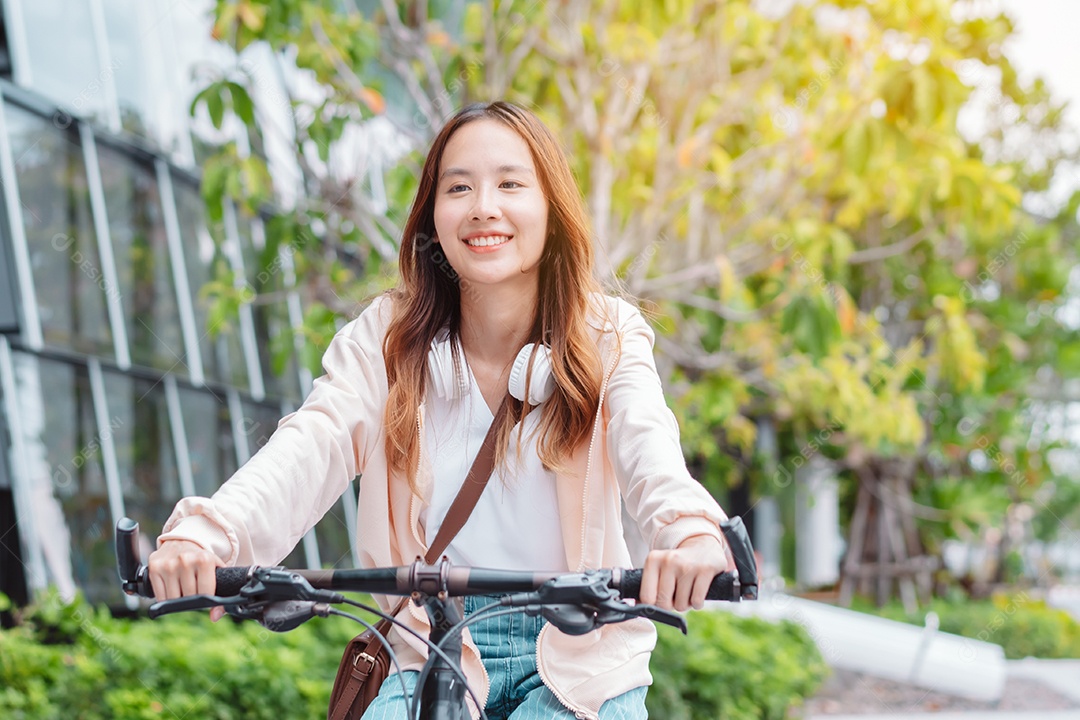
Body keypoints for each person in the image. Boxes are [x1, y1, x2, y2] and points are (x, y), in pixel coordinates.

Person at [148, 100, 730, 720]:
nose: (484, 205)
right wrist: (207, 536)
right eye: (459, 187)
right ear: (433, 215)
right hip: (431, 645)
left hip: (581, 646)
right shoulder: (387, 338)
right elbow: (313, 442)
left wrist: (690, 533)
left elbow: (649, 444)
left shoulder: (607, 334)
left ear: (552, 209)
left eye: (510, 183)